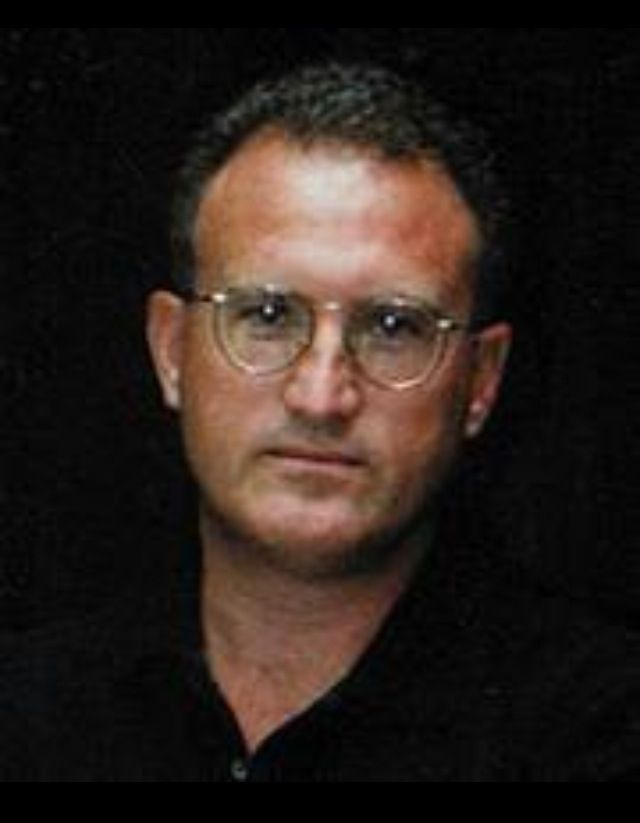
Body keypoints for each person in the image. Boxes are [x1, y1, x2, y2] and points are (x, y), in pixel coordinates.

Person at [11, 61, 640, 781]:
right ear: (171, 350)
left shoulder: (604, 730)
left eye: (394, 326)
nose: (321, 395)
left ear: (481, 380)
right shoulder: (29, 715)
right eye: (268, 315)